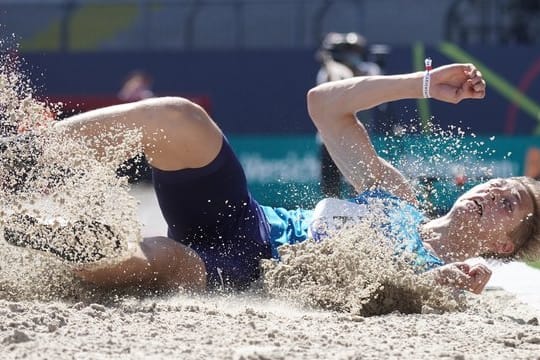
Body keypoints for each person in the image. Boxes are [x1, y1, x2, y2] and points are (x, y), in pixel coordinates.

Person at [2, 62, 539, 296]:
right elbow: (324, 105)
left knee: (159, 256)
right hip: (250, 220)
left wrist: (444, 283)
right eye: (500, 184)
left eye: (510, 201)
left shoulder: (456, 275)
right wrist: (422, 83)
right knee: (179, 116)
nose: (494, 190)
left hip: (255, 270)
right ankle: (17, 161)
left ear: (502, 243)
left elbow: (402, 294)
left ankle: (61, 252)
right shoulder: (399, 197)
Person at [315, 32, 383, 198]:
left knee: (362, 187)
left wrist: (357, 69)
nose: (349, 55)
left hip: (358, 138)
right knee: (331, 190)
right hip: (330, 140)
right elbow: (336, 86)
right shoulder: (328, 72)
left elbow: (373, 87)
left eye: (352, 51)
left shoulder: (369, 70)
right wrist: (331, 65)